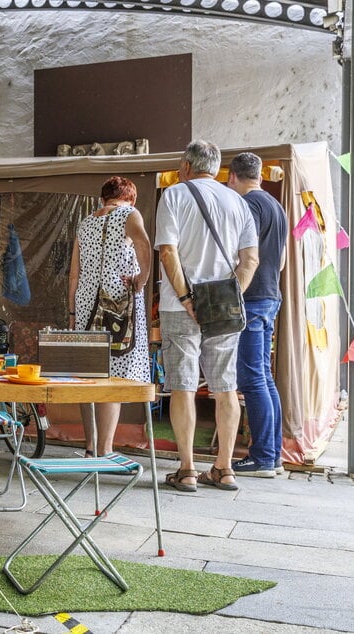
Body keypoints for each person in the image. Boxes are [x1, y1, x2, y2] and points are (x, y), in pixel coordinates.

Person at [155, 140, 258, 492]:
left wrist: (186, 297)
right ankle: (224, 468)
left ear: (185, 165)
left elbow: (168, 251)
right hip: (224, 307)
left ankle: (186, 471)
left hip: (177, 305)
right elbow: (250, 260)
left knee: (183, 385)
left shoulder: (174, 195)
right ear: (218, 169)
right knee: (225, 385)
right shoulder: (238, 202)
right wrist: (229, 297)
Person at [67, 176, 152, 457]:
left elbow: (74, 273)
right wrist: (143, 277)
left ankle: (90, 446)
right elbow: (143, 242)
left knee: (87, 376)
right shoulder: (129, 213)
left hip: (85, 305)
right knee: (112, 378)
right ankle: (105, 449)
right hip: (118, 307)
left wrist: (72, 311)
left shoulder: (86, 222)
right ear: (130, 197)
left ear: (103, 198)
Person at [227, 152, 288, 477]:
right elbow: (279, 262)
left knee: (251, 378)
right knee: (263, 376)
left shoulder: (248, 206)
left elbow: (243, 256)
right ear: (260, 175)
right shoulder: (277, 207)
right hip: (270, 295)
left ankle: (263, 457)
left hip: (250, 298)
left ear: (233, 177)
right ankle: (272, 455)